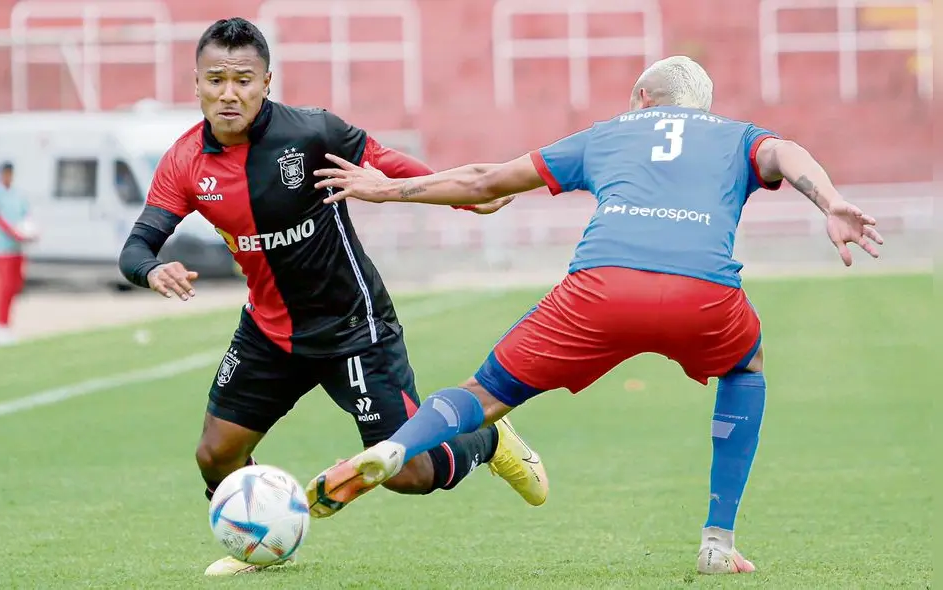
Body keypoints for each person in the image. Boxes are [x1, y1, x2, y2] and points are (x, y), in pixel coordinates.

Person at [307, 55, 884, 575]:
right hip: (702, 295)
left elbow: (484, 180)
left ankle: (396, 447)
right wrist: (830, 201)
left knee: (483, 396)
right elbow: (785, 153)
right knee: (747, 364)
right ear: (702, 109)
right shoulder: (738, 136)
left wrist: (385, 191)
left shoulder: (608, 134)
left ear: (641, 99)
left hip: (600, 289)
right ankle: (717, 540)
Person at [116, 17, 547, 577]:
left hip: (353, 328)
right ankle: (261, 539)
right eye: (215, 78)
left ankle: (486, 441)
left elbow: (389, 165)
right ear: (194, 84)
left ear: (266, 82)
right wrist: (151, 270)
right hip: (270, 332)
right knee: (215, 455)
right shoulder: (185, 163)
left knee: (408, 474)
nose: (229, 92)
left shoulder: (311, 133)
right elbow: (136, 245)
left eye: (243, 79)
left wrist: (463, 198)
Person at [0, 162, 37, 345]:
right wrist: (15, 233)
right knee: (4, 286)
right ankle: (0, 325)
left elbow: (26, 216)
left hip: (16, 248)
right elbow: (0, 221)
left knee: (15, 285)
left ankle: (7, 324)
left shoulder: (18, 195)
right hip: (0, 248)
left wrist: (30, 231)